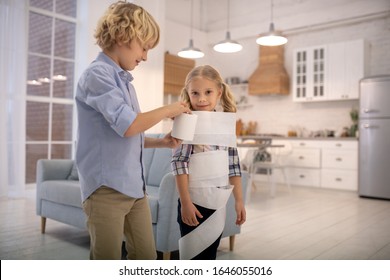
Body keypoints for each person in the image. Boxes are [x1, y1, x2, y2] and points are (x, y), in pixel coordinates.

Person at [75, 1, 190, 260]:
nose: (146, 56)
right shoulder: (97, 76)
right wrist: (169, 109)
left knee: (147, 258)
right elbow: (129, 125)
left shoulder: (124, 81)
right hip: (106, 190)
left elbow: (125, 134)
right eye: (145, 47)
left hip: (135, 190)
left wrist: (162, 142)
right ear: (122, 35)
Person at [171, 65, 246, 260]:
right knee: (192, 257)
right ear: (188, 93)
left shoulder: (224, 125)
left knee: (209, 256)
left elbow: (233, 165)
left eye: (208, 92)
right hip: (193, 203)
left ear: (219, 93)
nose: (201, 98)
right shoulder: (185, 121)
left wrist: (239, 200)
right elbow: (179, 163)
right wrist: (186, 203)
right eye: (195, 93)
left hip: (217, 203)